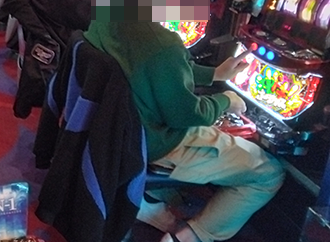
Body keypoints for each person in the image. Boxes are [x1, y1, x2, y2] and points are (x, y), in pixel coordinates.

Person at [84, 21, 285, 242]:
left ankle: (143, 198)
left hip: (113, 130)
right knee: (268, 173)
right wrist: (225, 101)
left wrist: (214, 74)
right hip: (157, 140)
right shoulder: (163, 43)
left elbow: (158, 66)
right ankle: (187, 237)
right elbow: (185, 115)